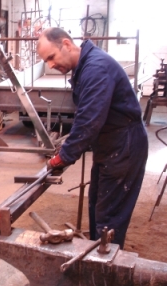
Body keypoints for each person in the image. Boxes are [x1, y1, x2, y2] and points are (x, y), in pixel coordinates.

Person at [37, 28, 148, 249]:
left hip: (123, 145)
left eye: (51, 57)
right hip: (110, 145)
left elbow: (89, 121)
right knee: (98, 204)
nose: (50, 65)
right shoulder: (85, 67)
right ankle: (97, 254)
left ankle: (105, 273)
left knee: (109, 216)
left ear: (67, 44)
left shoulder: (96, 68)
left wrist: (64, 157)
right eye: (45, 60)